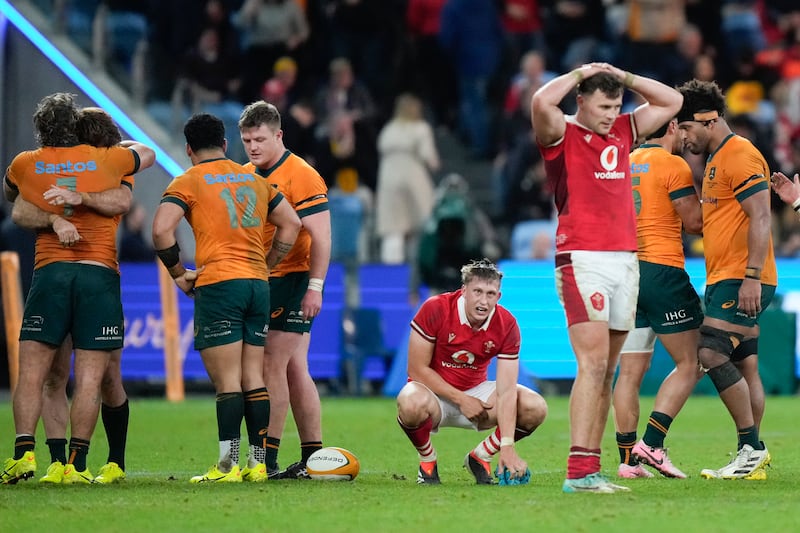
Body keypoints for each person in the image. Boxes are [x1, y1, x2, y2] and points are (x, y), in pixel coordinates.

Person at [530, 62, 683, 493]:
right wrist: (580, 73)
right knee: (593, 364)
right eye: (602, 106)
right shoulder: (561, 133)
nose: (610, 114)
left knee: (608, 370)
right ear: (580, 101)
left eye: (616, 105)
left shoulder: (623, 130)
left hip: (625, 261)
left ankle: (590, 470)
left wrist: (626, 78)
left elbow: (673, 101)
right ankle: (577, 473)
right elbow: (541, 100)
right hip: (582, 258)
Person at [1, 93, 155, 484]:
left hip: (50, 273)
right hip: (98, 274)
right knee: (91, 378)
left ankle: (25, 454)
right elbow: (147, 153)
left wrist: (51, 213)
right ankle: (75, 464)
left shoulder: (26, 163)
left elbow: (13, 202)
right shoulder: (109, 160)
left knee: (36, 373)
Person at [152, 113, 302, 483]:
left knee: (228, 382)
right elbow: (292, 223)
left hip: (219, 284)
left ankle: (225, 466)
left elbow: (160, 229)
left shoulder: (188, 180)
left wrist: (177, 274)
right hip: (257, 285)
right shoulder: (253, 177)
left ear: (189, 149)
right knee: (254, 376)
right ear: (224, 144)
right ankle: (256, 465)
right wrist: (266, 264)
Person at [676, 79, 776, 480]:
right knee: (745, 365)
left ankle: (751, 448)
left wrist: (752, 277)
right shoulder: (718, 158)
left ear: (710, 119)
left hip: (743, 277)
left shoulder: (739, 155)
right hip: (724, 275)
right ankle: (750, 455)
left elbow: (763, 216)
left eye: (686, 128)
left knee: (711, 353)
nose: (683, 137)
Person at [238, 101, 332, 479]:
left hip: (294, 276)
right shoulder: (244, 175)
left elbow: (322, 238)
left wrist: (315, 287)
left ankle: (266, 457)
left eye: (260, 139)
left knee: (270, 364)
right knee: (294, 368)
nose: (253, 147)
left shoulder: (302, 175)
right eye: (246, 140)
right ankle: (314, 456)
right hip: (261, 276)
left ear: (278, 135)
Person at [396, 259, 547, 485]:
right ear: (464, 291)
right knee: (410, 402)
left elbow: (506, 391)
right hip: (432, 395)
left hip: (477, 393)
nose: (483, 301)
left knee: (535, 407)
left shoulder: (507, 324)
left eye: (490, 294)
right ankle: (427, 461)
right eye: (477, 292)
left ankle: (481, 456)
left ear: (499, 297)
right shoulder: (436, 307)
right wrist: (461, 399)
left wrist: (507, 446)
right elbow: (417, 369)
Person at [611, 117, 704, 480]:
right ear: (672, 128)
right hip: (661, 270)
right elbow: (694, 222)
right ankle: (652, 442)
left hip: (625, 273)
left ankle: (626, 462)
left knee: (630, 372)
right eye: (682, 130)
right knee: (692, 362)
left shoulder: (622, 161)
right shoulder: (672, 164)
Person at [375, 93, 440, 265]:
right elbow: (429, 157)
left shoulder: (389, 129)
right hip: (413, 176)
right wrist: (435, 164)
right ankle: (419, 267)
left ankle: (390, 273)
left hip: (389, 178)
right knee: (421, 225)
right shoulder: (420, 128)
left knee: (393, 229)